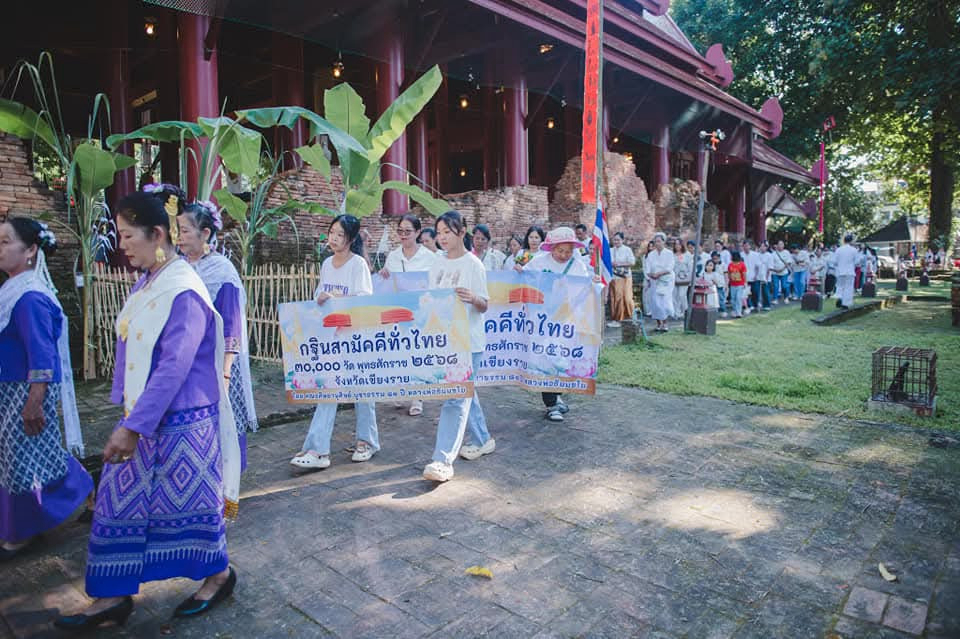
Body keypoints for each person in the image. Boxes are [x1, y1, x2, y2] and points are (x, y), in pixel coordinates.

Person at [56, 193, 241, 631]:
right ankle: (112, 595)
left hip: (183, 424)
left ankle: (218, 575)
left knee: (193, 510)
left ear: (158, 235)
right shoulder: (149, 281)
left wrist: (132, 426)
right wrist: (128, 408)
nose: (122, 245)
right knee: (117, 507)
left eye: (127, 235)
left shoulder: (184, 291)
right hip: (144, 418)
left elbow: (174, 367)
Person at [0, 218, 92, 561]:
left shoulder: (31, 297)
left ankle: (20, 532)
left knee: (24, 461)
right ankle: (82, 489)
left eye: (7, 241)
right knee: (26, 457)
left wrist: (35, 401)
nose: (1, 248)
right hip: (9, 392)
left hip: (25, 393)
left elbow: (42, 354)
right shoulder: (12, 289)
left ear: (31, 251)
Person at [290, 215, 380, 471]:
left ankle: (366, 441)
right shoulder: (327, 263)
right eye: (331, 232)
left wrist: (338, 296)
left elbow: (364, 299)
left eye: (340, 234)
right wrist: (320, 297)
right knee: (328, 389)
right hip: (332, 338)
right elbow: (320, 292)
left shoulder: (358, 265)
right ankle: (317, 449)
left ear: (350, 239)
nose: (333, 238)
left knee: (363, 391)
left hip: (355, 338)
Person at [177, 201, 258, 469]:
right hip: (188, 362)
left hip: (219, 363)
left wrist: (225, 372)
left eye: (186, 231)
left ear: (206, 234)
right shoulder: (176, 269)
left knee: (223, 421)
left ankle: (227, 483)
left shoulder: (222, 271)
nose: (180, 237)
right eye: (178, 230)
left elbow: (232, 323)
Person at [423, 211, 493, 482]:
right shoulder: (437, 264)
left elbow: (485, 305)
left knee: (456, 397)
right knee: (466, 393)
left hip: (469, 341)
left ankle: (442, 461)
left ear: (461, 233)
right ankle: (483, 439)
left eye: (447, 232)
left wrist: (474, 298)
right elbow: (430, 298)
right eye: (438, 232)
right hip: (446, 339)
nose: (441, 238)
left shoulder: (473, 265)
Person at [524, 227, 599, 422]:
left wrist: (593, 283)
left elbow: (585, 285)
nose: (564, 255)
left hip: (567, 320)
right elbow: (523, 278)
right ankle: (551, 404)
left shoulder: (577, 265)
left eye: (568, 251)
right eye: (560, 251)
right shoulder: (539, 262)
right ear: (552, 248)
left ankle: (557, 396)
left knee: (562, 358)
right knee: (546, 359)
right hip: (543, 320)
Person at [381, 214, 437, 416]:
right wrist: (383, 275)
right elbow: (387, 283)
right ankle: (401, 388)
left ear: (418, 232)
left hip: (422, 313)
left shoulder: (430, 258)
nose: (403, 235)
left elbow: (436, 284)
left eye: (408, 231)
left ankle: (418, 397)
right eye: (400, 231)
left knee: (419, 354)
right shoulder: (393, 256)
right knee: (401, 351)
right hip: (399, 313)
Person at [644, 233, 675, 332]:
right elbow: (647, 268)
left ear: (663, 242)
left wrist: (660, 273)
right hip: (654, 280)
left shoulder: (669, 253)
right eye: (655, 242)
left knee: (664, 302)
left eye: (659, 241)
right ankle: (658, 323)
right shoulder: (651, 254)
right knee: (655, 303)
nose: (657, 243)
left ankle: (665, 323)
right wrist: (651, 275)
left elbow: (670, 267)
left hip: (666, 280)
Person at [608, 231, 636, 327]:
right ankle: (617, 319)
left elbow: (632, 262)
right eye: (614, 240)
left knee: (627, 298)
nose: (616, 242)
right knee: (616, 298)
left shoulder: (627, 250)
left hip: (625, 276)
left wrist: (619, 264)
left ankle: (630, 317)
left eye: (618, 240)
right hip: (614, 277)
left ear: (622, 240)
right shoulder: (610, 250)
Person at [833, 234, 859, 309]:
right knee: (848, 287)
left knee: (840, 286)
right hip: (850, 271)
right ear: (851, 241)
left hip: (840, 271)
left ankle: (840, 298)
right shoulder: (854, 250)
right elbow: (857, 262)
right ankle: (846, 303)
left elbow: (835, 261)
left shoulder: (839, 249)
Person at [672, 240, 693, 320]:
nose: (677, 246)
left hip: (684, 277)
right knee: (675, 296)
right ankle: (676, 313)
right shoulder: (672, 255)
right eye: (676, 244)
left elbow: (690, 267)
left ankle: (685, 311)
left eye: (679, 244)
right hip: (674, 278)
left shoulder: (687, 255)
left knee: (682, 295)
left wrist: (688, 276)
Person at [727, 251, 748, 318]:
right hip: (733, 284)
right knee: (733, 298)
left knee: (738, 298)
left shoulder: (742, 265)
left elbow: (744, 274)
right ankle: (735, 310)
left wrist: (745, 282)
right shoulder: (730, 265)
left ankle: (738, 312)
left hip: (740, 284)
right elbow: (729, 274)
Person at [710, 251, 728, 317]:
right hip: (713, 284)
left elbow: (725, 275)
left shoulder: (723, 265)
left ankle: (723, 310)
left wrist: (726, 284)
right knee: (714, 299)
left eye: (717, 258)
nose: (715, 260)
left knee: (721, 298)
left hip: (721, 284)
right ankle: (715, 311)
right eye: (714, 259)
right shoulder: (711, 265)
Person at [641, 240, 655, 317]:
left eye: (652, 246)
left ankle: (654, 311)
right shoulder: (645, 257)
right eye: (649, 246)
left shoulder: (657, 257)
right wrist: (648, 278)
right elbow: (644, 268)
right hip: (647, 278)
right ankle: (647, 311)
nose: (651, 248)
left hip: (655, 278)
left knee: (653, 295)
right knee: (646, 295)